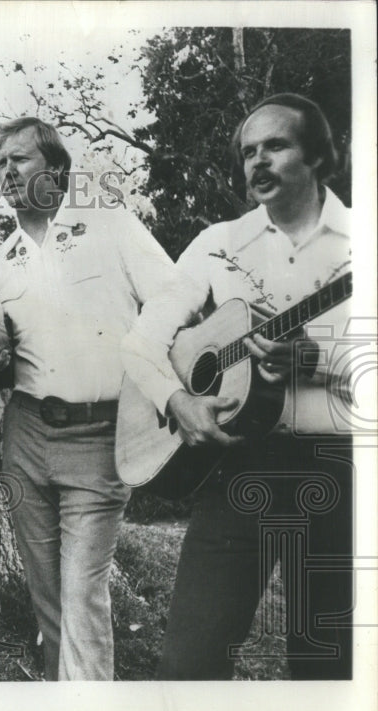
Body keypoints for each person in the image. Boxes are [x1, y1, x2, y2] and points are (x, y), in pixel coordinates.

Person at [122, 93, 354, 680]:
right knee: (188, 667)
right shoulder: (218, 243)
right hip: (236, 468)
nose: (258, 162)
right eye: (249, 151)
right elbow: (141, 341)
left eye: (276, 146)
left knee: (326, 671)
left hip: (338, 471)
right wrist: (178, 399)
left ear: (321, 157)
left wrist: (317, 361)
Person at [0, 117, 177, 680]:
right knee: (49, 597)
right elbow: (2, 370)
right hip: (27, 435)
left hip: (102, 434)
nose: (7, 172)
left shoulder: (110, 225)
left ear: (56, 170)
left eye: (19, 159)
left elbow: (177, 301)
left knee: (81, 591)